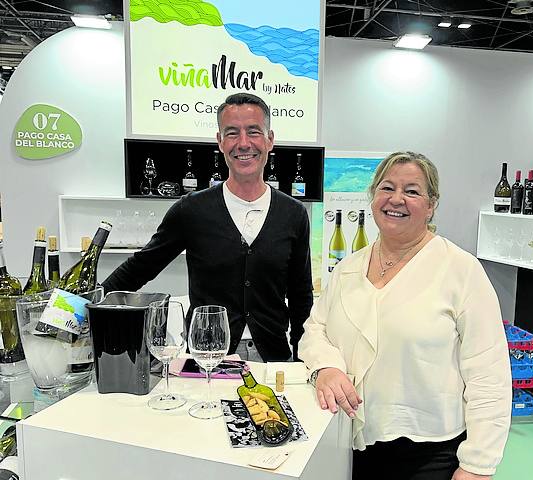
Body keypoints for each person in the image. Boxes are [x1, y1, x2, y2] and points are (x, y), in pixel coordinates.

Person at [298, 152, 511, 480]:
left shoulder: (460, 270)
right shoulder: (348, 268)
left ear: (431, 204)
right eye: (387, 188)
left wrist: (477, 466)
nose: (396, 199)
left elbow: (489, 375)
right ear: (373, 198)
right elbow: (316, 329)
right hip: (346, 443)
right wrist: (325, 367)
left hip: (429, 454)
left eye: (412, 191)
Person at [103, 93, 313, 362]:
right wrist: (80, 306)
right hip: (207, 359)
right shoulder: (191, 210)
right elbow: (140, 267)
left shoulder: (293, 214)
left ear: (270, 139)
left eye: (253, 132)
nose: (244, 143)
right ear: (220, 141)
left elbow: (300, 296)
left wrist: (303, 359)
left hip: (273, 358)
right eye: (232, 133)